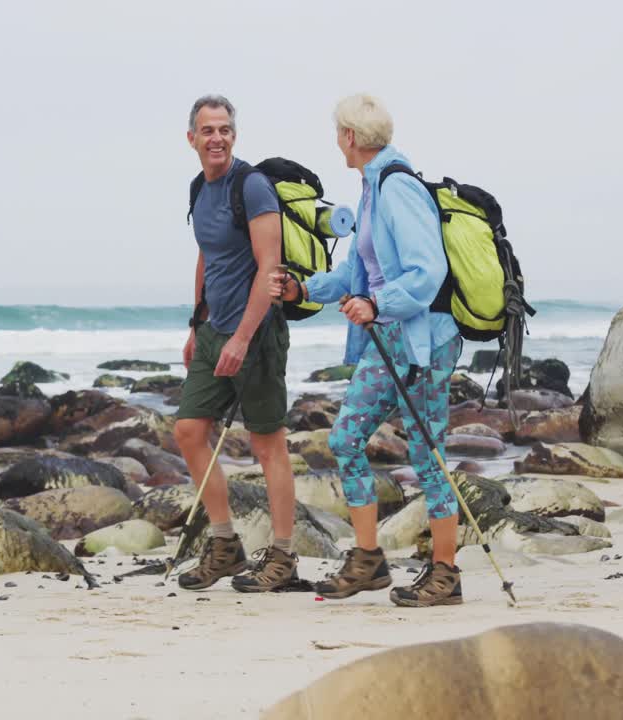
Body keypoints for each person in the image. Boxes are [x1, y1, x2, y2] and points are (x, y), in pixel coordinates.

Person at [271, 93, 465, 607]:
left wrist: (376, 304)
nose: (337, 141)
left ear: (350, 137)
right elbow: (359, 273)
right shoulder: (371, 189)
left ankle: (445, 574)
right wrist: (304, 290)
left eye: (338, 133)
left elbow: (428, 272)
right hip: (387, 342)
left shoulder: (398, 187)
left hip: (423, 343)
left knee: (428, 457)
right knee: (346, 438)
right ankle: (368, 561)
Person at [173, 94, 298, 593]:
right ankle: (225, 546)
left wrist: (244, 338)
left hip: (257, 333)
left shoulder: (253, 187)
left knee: (268, 446)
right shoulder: (198, 190)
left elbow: (270, 268)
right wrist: (195, 324)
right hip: (212, 331)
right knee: (187, 430)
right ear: (192, 139)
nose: (217, 138)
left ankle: (284, 556)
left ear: (234, 135)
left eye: (224, 129)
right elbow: (207, 258)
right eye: (207, 130)